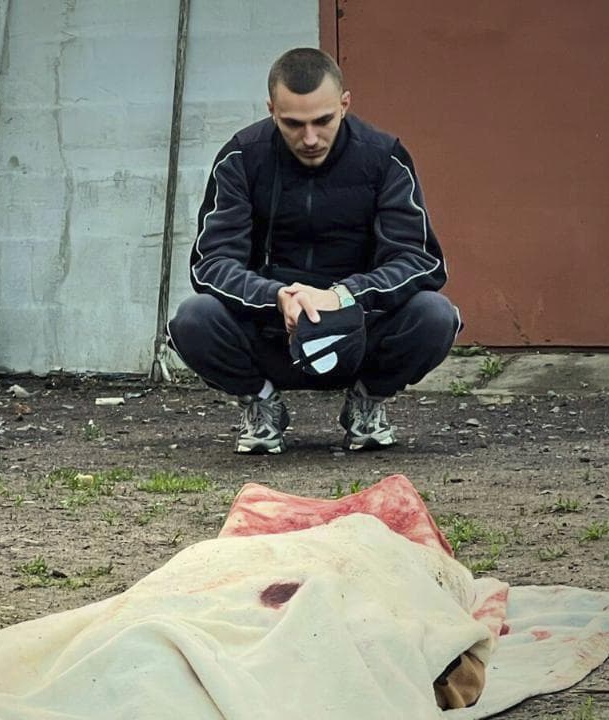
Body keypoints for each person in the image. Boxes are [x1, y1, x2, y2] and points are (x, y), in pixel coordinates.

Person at [167, 47, 461, 454]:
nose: (309, 138)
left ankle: (367, 402)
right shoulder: (241, 158)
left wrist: (343, 295)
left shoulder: (384, 157)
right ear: (271, 110)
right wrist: (276, 296)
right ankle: (260, 403)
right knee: (193, 319)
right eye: (293, 123)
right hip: (273, 333)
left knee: (436, 315)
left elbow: (420, 261)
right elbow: (211, 264)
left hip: (359, 331)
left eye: (322, 121)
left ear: (345, 104)